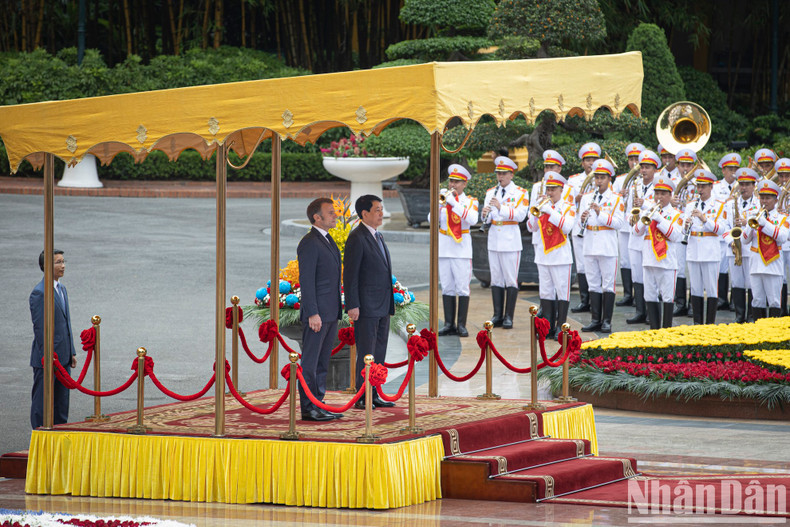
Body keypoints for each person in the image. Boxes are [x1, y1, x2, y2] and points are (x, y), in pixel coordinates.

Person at [343, 194, 396, 409]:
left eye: (382, 209)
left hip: (382, 304)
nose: (381, 213)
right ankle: (362, 395)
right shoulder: (357, 237)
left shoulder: (378, 236)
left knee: (380, 351)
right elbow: (350, 275)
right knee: (367, 352)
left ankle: (374, 392)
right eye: (377, 210)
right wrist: (352, 304)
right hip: (366, 305)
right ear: (364, 214)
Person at [296, 198, 344, 422]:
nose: (335, 215)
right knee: (310, 362)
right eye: (330, 212)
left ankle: (319, 402)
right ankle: (308, 407)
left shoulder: (327, 239)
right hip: (317, 314)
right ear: (317, 217)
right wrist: (312, 312)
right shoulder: (309, 242)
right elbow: (306, 280)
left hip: (330, 312)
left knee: (323, 361)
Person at [29, 249, 77, 429]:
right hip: (48, 359)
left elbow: (66, 323)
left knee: (61, 404)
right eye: (58, 262)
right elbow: (40, 329)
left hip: (63, 358)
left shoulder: (62, 289)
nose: (63, 266)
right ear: (45, 266)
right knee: (42, 403)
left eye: (63, 261)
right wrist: (47, 357)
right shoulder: (40, 293)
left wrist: (71, 351)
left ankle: (58, 437)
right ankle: (40, 439)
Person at [482, 156, 529, 329]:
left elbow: (520, 215)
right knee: (496, 278)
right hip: (494, 238)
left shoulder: (520, 192)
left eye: (503, 173)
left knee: (510, 278)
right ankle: (497, 315)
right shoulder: (490, 192)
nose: (500, 177)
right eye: (498, 173)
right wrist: (485, 214)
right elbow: (487, 217)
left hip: (510, 239)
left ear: (511, 174)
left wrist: (501, 208)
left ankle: (509, 316)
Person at [526, 172, 575, 338]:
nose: (550, 192)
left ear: (561, 190)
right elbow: (531, 227)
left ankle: (561, 328)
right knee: (546, 292)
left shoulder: (568, 206)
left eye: (553, 189)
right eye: (548, 189)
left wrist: (551, 211)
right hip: (543, 255)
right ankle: (547, 327)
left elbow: (567, 227)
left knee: (562, 292)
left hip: (561, 256)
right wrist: (536, 213)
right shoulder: (542, 205)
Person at [579, 159, 624, 333]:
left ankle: (607, 321)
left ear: (609, 178)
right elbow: (578, 222)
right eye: (597, 177)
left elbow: (619, 223)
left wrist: (600, 213)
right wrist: (582, 220)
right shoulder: (587, 198)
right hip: (590, 243)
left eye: (602, 177)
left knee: (608, 284)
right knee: (593, 284)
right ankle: (595, 319)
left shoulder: (616, 198)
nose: (599, 181)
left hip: (606, 245)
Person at [434, 164, 479, 338]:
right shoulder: (443, 199)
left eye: (457, 182)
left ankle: (461, 324)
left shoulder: (470, 201)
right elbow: (431, 219)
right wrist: (439, 204)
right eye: (451, 181)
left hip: (461, 249)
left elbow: (473, 219)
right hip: (444, 248)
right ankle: (448, 323)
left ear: (464, 184)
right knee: (447, 287)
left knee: (462, 287)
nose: (453, 185)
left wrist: (454, 203)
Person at [633, 175, 684, 329]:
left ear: (670, 195)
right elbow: (636, 232)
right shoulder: (647, 211)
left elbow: (676, 235)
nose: (659, 197)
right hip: (648, 259)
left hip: (666, 261)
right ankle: (654, 330)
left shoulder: (677, 214)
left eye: (663, 194)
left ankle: (666, 331)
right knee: (649, 295)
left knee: (667, 297)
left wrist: (660, 220)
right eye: (657, 193)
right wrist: (644, 219)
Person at [683, 169, 727, 325]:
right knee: (695, 288)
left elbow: (721, 229)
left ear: (711, 187)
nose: (700, 190)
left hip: (710, 250)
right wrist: (686, 226)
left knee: (711, 288)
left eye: (703, 186)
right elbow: (683, 228)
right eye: (698, 187)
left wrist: (704, 219)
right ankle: (697, 324)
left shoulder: (720, 206)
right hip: (693, 249)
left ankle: (709, 324)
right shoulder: (689, 206)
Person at [741, 180, 789, 318]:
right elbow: (744, 240)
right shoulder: (754, 215)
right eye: (762, 197)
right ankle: (758, 335)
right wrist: (751, 225)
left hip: (773, 265)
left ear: (775, 199)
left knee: (774, 301)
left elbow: (782, 236)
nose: (764, 201)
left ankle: (773, 335)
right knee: (757, 300)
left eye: (768, 198)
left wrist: (764, 224)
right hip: (756, 264)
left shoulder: (782, 218)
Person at [626, 150, 659, 325]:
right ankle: (640, 311)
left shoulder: (660, 187)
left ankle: (650, 312)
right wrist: (630, 218)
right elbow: (626, 210)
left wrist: (644, 204)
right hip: (635, 236)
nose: (643, 170)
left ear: (655, 169)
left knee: (649, 276)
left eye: (647, 167)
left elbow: (659, 208)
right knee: (637, 276)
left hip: (651, 237)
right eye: (642, 167)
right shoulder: (635, 186)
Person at [723, 168, 760, 323]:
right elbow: (724, 226)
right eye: (741, 184)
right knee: (737, 282)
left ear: (753, 186)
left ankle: (751, 316)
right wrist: (730, 241)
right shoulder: (731, 203)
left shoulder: (758, 204)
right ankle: (739, 315)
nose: (743, 188)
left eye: (746, 184)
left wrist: (746, 223)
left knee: (751, 283)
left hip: (750, 249)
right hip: (735, 248)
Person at [569, 142, 602, 314]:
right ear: (582, 163)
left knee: (596, 264)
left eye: (594, 160)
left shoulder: (603, 178)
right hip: (579, 225)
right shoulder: (574, 180)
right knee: (582, 265)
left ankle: (597, 299)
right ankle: (585, 300)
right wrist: (577, 198)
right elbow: (566, 201)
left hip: (598, 227)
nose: (590, 163)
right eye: (587, 160)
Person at [612, 142, 645, 307]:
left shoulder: (646, 180)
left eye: (637, 159)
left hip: (641, 225)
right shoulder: (620, 180)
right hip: (625, 225)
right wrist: (620, 196)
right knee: (625, 260)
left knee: (640, 261)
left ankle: (641, 296)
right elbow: (612, 204)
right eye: (631, 159)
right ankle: (627, 293)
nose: (634, 163)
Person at [671, 147, 698, 318]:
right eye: (682, 165)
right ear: (678, 165)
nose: (685, 168)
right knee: (680, 267)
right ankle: (680, 302)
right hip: (677, 228)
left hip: (694, 229)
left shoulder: (699, 182)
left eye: (689, 165)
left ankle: (693, 305)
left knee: (692, 268)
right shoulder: (671, 180)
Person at [714, 153, 741, 311]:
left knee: (735, 266)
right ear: (723, 170)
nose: (733, 172)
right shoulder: (717, 187)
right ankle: (722, 298)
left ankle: (734, 301)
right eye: (730, 169)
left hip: (737, 230)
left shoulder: (742, 185)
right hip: (721, 232)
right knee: (722, 267)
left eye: (735, 169)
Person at [774, 158, 790, 316]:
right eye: (781, 176)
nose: (784, 179)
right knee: (781, 277)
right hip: (779, 241)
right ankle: (782, 310)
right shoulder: (774, 193)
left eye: (787, 176)